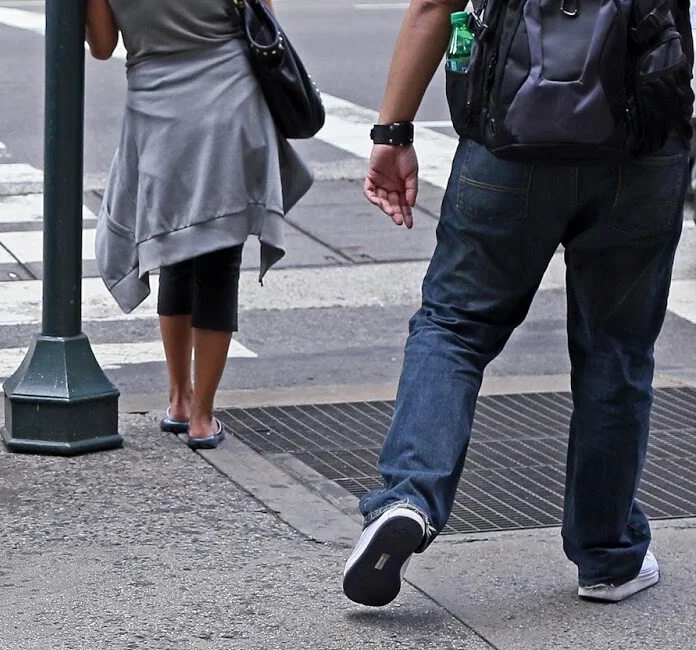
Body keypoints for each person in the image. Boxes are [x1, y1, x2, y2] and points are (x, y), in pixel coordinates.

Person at [344, 0, 693, 608]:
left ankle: (407, 498)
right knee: (618, 345)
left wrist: (393, 132)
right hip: (644, 143)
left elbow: (434, 6)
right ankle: (608, 555)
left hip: (511, 138)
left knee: (454, 326)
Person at [87, 0, 310, 449]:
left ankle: (179, 400)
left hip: (156, 106)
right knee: (220, 259)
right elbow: (263, 18)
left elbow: (103, 45)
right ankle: (204, 418)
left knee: (172, 245)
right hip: (229, 100)